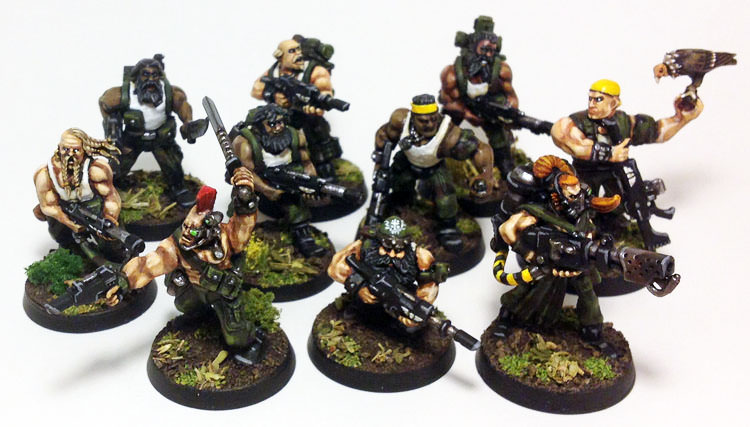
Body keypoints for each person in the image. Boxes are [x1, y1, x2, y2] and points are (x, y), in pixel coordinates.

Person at [113, 169, 265, 364]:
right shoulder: (176, 245)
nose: (186, 234)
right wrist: (123, 281)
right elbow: (147, 265)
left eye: (193, 232)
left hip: (222, 293)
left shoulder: (226, 238)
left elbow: (243, 226)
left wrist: (246, 201)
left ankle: (249, 344)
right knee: (184, 305)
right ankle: (202, 316)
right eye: (186, 226)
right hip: (194, 289)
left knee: (236, 334)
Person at [491, 155, 622, 357]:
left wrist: (597, 241)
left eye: (578, 190)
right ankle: (506, 318)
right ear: (558, 193)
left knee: (588, 294)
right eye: (571, 193)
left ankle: (593, 333)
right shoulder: (537, 212)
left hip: (578, 260)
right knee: (528, 288)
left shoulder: (581, 207)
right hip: (548, 260)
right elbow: (506, 229)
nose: (577, 196)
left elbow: (587, 227)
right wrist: (531, 254)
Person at [374, 94, 493, 252]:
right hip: (407, 163)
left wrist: (486, 175)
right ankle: (401, 204)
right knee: (398, 184)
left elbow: (480, 148)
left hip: (434, 167)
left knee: (446, 197)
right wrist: (379, 162)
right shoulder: (401, 121)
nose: (430, 124)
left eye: (433, 119)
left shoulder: (449, 135)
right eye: (423, 121)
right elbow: (383, 135)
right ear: (414, 118)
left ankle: (448, 229)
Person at [99, 54, 200, 208]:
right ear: (136, 77)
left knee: (173, 165)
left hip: (161, 139)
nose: (151, 79)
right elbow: (104, 103)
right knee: (117, 165)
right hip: (133, 139)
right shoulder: (122, 95)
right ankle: (112, 187)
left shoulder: (170, 93)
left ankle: (178, 189)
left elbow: (183, 106)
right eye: (145, 74)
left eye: (155, 75)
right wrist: (112, 125)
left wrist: (188, 123)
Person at [232, 103, 325, 257]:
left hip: (287, 175)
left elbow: (306, 163)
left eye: (281, 122)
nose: (278, 127)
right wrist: (268, 190)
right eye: (272, 124)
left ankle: (303, 236)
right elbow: (247, 172)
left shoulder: (296, 136)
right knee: (243, 198)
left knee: (294, 203)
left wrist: (312, 183)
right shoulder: (245, 143)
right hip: (257, 178)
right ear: (259, 126)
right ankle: (237, 235)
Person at [328, 216, 447, 330]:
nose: (392, 254)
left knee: (406, 325)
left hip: (400, 299)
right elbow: (336, 267)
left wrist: (418, 308)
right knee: (358, 313)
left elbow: (429, 286)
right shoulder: (364, 246)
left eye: (398, 250)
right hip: (368, 293)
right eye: (387, 248)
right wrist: (359, 287)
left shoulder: (420, 256)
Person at [251, 36, 341, 178]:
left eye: (299, 49)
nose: (298, 54)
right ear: (280, 56)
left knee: (318, 130)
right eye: (292, 51)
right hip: (283, 117)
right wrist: (273, 95)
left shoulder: (315, 70)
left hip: (306, 116)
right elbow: (256, 89)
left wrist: (317, 107)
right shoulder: (274, 72)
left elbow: (324, 91)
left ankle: (324, 169)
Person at [439, 15, 519, 176]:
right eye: (483, 50)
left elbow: (511, 97)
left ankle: (506, 170)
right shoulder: (453, 73)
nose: (487, 55)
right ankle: (438, 166)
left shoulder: (502, 71)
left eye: (491, 51)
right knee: (443, 133)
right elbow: (447, 100)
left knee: (500, 140)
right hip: (460, 107)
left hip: (488, 110)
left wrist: (508, 112)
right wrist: (467, 114)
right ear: (473, 48)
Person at [33, 128, 122, 258]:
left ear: (84, 150)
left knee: (111, 243)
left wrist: (109, 218)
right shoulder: (45, 174)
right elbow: (47, 205)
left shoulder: (97, 170)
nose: (70, 155)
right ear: (59, 148)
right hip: (63, 212)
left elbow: (111, 198)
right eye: (65, 149)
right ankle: (71, 251)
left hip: (94, 210)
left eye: (75, 150)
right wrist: (68, 222)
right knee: (61, 237)